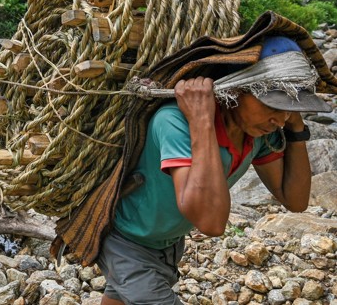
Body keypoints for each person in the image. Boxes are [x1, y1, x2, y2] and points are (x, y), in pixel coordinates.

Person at [96, 36, 332, 305]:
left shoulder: (258, 135)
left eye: (290, 109)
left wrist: (296, 129)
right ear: (236, 89)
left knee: (118, 296)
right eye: (272, 106)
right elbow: (211, 223)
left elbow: (295, 201)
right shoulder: (175, 121)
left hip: (167, 243)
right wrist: (202, 122)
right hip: (126, 241)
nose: (278, 119)